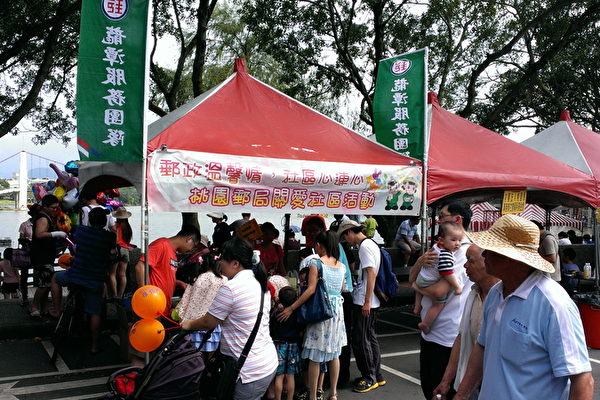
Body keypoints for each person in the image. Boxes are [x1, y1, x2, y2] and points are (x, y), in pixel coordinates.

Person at [455, 214, 594, 400]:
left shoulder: (554, 304)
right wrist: (461, 395)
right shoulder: (496, 293)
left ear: (512, 258)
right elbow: (482, 346)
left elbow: (582, 380)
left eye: (492, 250)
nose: (485, 255)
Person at [181, 237, 278, 400]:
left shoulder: (231, 288)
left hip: (249, 371)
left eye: (222, 259)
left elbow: (208, 322)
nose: (219, 263)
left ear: (235, 263)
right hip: (266, 361)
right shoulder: (260, 283)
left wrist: (188, 324)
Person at [409, 200, 472, 400]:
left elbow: (438, 291)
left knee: (441, 391)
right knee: (429, 386)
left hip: (447, 336)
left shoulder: (463, 252)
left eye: (442, 216)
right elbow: (413, 276)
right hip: (431, 332)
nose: (438, 221)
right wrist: (419, 263)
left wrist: (416, 287)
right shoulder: (440, 247)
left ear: (457, 219)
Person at [278, 231, 347, 400]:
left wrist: (291, 308)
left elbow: (310, 290)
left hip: (321, 311)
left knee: (315, 356)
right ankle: (333, 393)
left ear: (319, 245)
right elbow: (342, 288)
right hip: (337, 311)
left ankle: (313, 396)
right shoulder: (341, 266)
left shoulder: (317, 263)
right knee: (334, 354)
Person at [432, 244, 499, 400]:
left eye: (470, 260)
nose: (465, 265)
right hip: (471, 385)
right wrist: (446, 381)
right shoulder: (473, 294)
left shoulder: (505, 298)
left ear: (488, 262)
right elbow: (461, 338)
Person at [50, 207, 117, 353]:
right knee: (95, 312)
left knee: (55, 278)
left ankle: (56, 310)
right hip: (94, 279)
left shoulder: (81, 231)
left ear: (90, 220)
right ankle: (94, 345)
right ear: (104, 221)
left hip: (75, 274)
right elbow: (112, 254)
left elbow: (72, 241)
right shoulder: (109, 237)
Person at [338, 219, 384, 393]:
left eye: (345, 237)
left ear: (350, 232)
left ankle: (369, 377)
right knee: (369, 337)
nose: (346, 241)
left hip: (365, 300)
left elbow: (371, 273)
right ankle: (376, 375)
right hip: (370, 299)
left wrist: (366, 301)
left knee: (361, 340)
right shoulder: (371, 243)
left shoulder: (364, 247)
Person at [134, 224, 200, 313]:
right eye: (193, 246)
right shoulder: (161, 245)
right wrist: (145, 294)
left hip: (163, 307)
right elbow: (140, 266)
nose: (191, 250)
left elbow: (163, 276)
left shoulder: (173, 254)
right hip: (152, 304)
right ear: (189, 240)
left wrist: (178, 283)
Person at [412, 222, 463, 334]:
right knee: (438, 304)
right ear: (441, 240)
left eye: (460, 240)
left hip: (422, 277)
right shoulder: (446, 254)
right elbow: (447, 272)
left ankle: (417, 307)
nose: (457, 244)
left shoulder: (435, 247)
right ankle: (425, 323)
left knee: (419, 288)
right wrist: (457, 286)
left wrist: (416, 286)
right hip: (428, 281)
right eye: (453, 240)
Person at [175, 254, 226, 351]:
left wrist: (182, 318)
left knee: (192, 356)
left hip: (191, 324)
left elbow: (185, 301)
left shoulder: (196, 278)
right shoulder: (223, 280)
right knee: (207, 357)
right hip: (211, 326)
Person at [29, 194, 67, 317]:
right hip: (42, 255)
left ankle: (44, 308)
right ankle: (34, 306)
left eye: (56, 208)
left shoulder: (47, 217)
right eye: (53, 208)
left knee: (45, 281)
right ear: (45, 206)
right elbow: (39, 234)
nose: (55, 210)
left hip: (45, 254)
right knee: (45, 283)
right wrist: (56, 234)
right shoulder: (43, 218)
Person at [270, 286, 302, 400]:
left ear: (279, 299)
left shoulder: (276, 314)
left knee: (279, 376)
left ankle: (277, 398)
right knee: (290, 376)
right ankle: (289, 398)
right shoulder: (296, 313)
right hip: (293, 345)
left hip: (279, 345)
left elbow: (271, 329)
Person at [109, 206, 133, 299]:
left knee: (112, 274)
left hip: (117, 250)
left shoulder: (114, 226)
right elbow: (127, 241)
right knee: (122, 275)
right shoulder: (128, 227)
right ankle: (121, 295)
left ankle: (114, 295)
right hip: (125, 251)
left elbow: (113, 239)